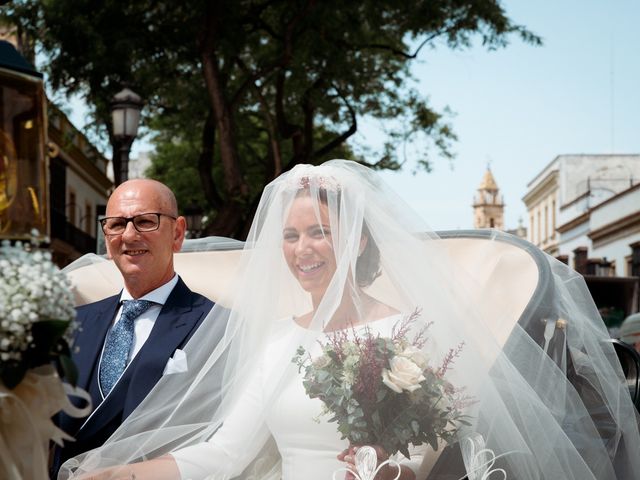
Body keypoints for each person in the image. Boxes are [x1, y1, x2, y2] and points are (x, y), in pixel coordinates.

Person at [61, 161, 640, 480]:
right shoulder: (278, 341)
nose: (303, 249)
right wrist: (124, 476)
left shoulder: (414, 336)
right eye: (290, 236)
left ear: (356, 237)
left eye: (319, 232)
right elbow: (224, 454)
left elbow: (430, 451)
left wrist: (395, 471)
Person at [51, 179, 216, 477]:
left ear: (177, 233)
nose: (129, 235)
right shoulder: (72, 323)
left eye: (144, 221)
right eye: (116, 224)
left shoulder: (216, 325)